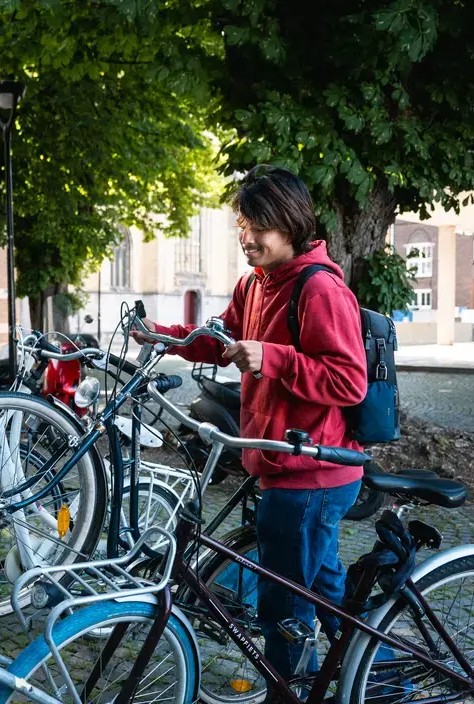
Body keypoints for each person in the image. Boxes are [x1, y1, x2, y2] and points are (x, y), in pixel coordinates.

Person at [132, 164, 368, 690]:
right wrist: (162, 337)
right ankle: (379, 677)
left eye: (259, 227)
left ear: (290, 224)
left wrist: (274, 358)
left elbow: (349, 381)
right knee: (324, 591)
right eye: (242, 225)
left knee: (283, 605)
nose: (247, 238)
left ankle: (289, 690)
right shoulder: (256, 283)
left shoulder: (318, 288)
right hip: (279, 460)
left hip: (313, 471)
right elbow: (220, 339)